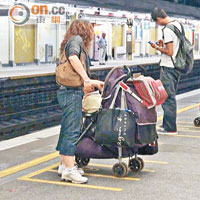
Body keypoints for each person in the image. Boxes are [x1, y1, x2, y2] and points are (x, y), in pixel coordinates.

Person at [56, 19, 104, 184]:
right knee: (72, 130)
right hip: (71, 93)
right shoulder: (76, 40)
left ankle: (64, 164)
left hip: (67, 92)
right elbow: (73, 58)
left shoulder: (70, 40)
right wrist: (87, 79)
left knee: (66, 129)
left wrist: (91, 82)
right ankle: (69, 171)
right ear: (85, 31)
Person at [150, 8, 182, 135]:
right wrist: (163, 44)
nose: (158, 24)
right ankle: (166, 123)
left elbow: (169, 52)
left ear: (158, 19)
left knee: (168, 97)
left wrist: (157, 47)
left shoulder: (168, 29)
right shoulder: (177, 24)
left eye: (157, 22)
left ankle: (170, 127)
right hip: (176, 66)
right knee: (170, 95)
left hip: (169, 67)